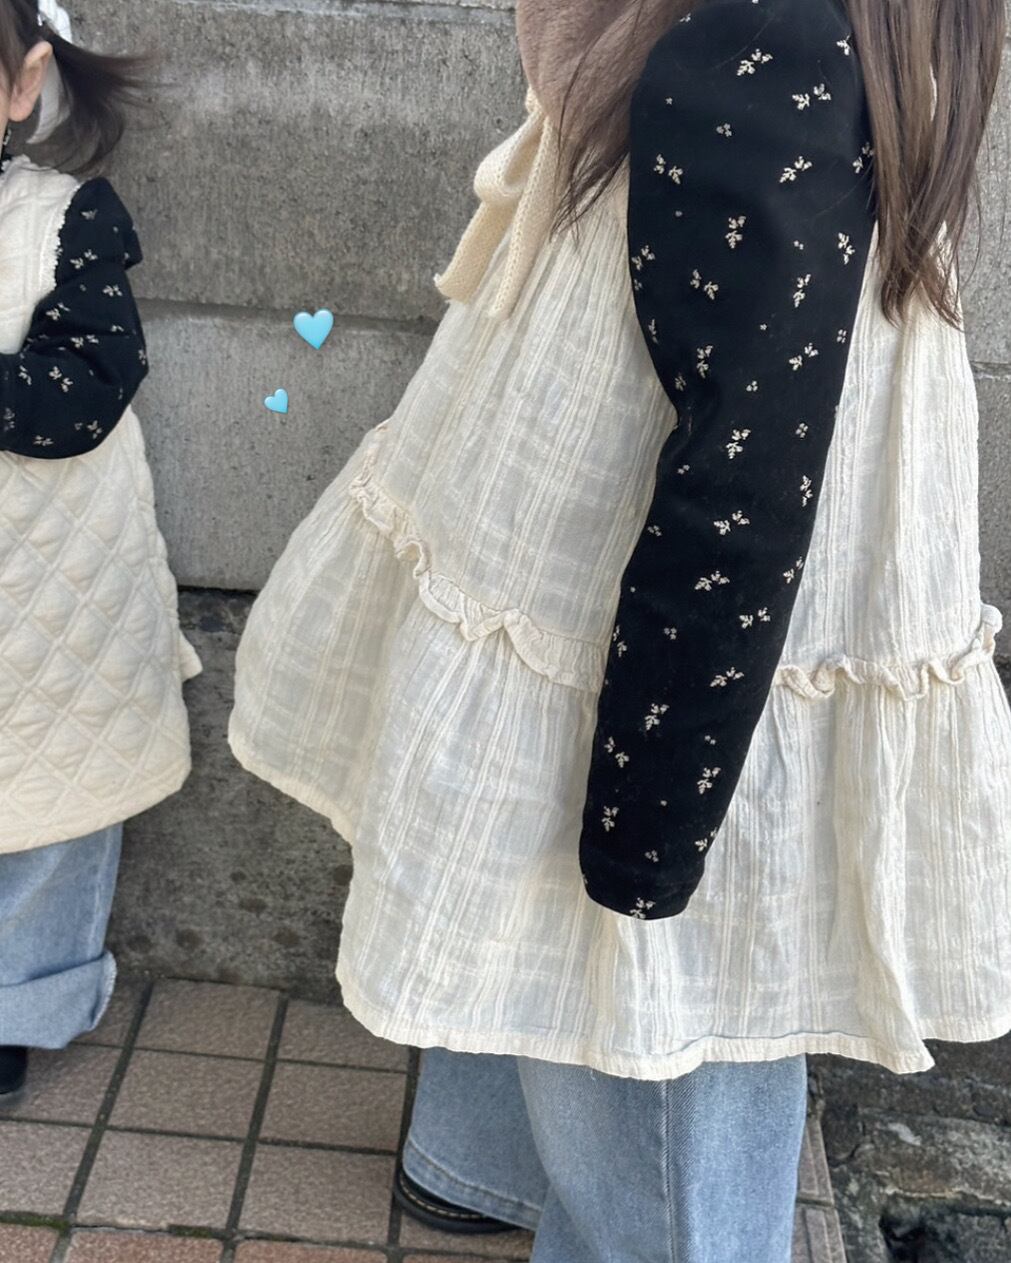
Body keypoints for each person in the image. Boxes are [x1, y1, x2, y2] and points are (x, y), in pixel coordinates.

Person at [229, 0, 1011, 1258]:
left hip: (673, 635)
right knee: (538, 871)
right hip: (623, 578)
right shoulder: (844, 36)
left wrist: (651, 836)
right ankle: (482, 1163)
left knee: (659, 970)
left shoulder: (771, 44)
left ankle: (588, 1207)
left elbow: (742, 496)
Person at [0, 0, 199, 1101]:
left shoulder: (62, 218)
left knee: (50, 810)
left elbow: (84, 390)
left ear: (23, 80)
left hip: (45, 596)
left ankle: (16, 1004)